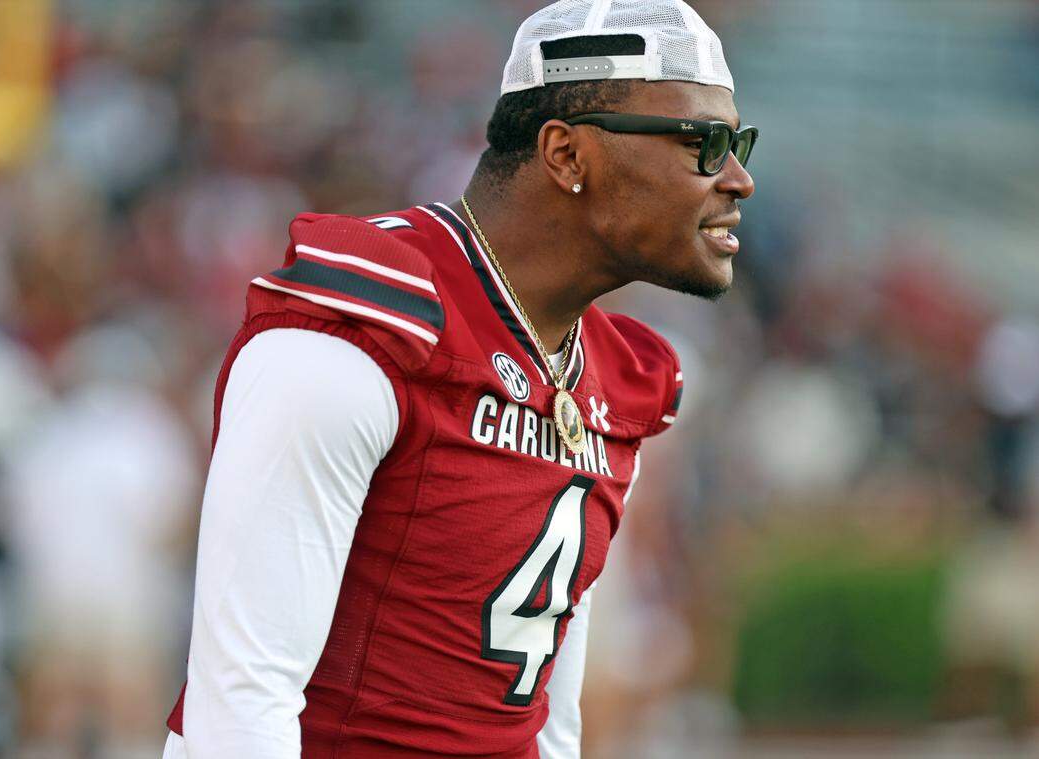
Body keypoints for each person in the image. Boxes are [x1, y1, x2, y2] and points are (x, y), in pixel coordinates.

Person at [163, 1, 755, 756]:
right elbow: (240, 702)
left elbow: (546, 719)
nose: (736, 178)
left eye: (735, 143)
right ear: (568, 155)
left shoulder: (616, 379)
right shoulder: (365, 329)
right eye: (701, 142)